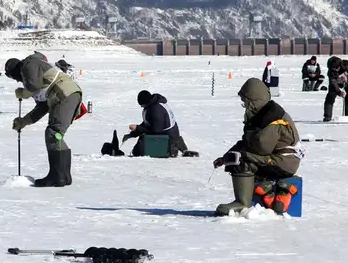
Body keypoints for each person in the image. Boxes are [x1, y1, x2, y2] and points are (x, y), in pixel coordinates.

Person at [214, 78, 302, 216]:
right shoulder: (263, 114)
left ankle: (243, 204)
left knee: (241, 162)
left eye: (246, 102)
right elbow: (247, 142)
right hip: (276, 158)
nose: (244, 105)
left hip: (284, 162)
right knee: (238, 158)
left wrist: (240, 155)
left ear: (253, 101)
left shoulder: (272, 119)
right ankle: (266, 190)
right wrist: (227, 156)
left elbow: (260, 148)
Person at [5, 54, 83, 187]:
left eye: (14, 77)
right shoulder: (34, 73)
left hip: (63, 94)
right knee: (56, 134)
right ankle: (64, 176)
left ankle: (56, 176)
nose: (18, 81)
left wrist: (23, 93)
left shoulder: (28, 65)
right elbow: (42, 107)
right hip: (68, 94)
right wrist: (23, 122)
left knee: (53, 133)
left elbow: (34, 87)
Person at [122, 90, 196, 157]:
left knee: (138, 151)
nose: (141, 106)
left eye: (142, 105)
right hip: (167, 134)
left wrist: (137, 128)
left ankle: (174, 148)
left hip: (168, 139)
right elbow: (148, 124)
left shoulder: (156, 110)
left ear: (147, 102)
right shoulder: (153, 105)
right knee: (137, 150)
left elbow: (156, 131)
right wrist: (132, 134)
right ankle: (178, 146)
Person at [324, 56, 348, 121]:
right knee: (330, 96)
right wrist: (339, 92)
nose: (335, 70)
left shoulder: (347, 64)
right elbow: (333, 83)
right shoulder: (330, 72)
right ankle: (327, 116)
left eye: (336, 68)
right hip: (336, 84)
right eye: (333, 69)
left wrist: (347, 77)